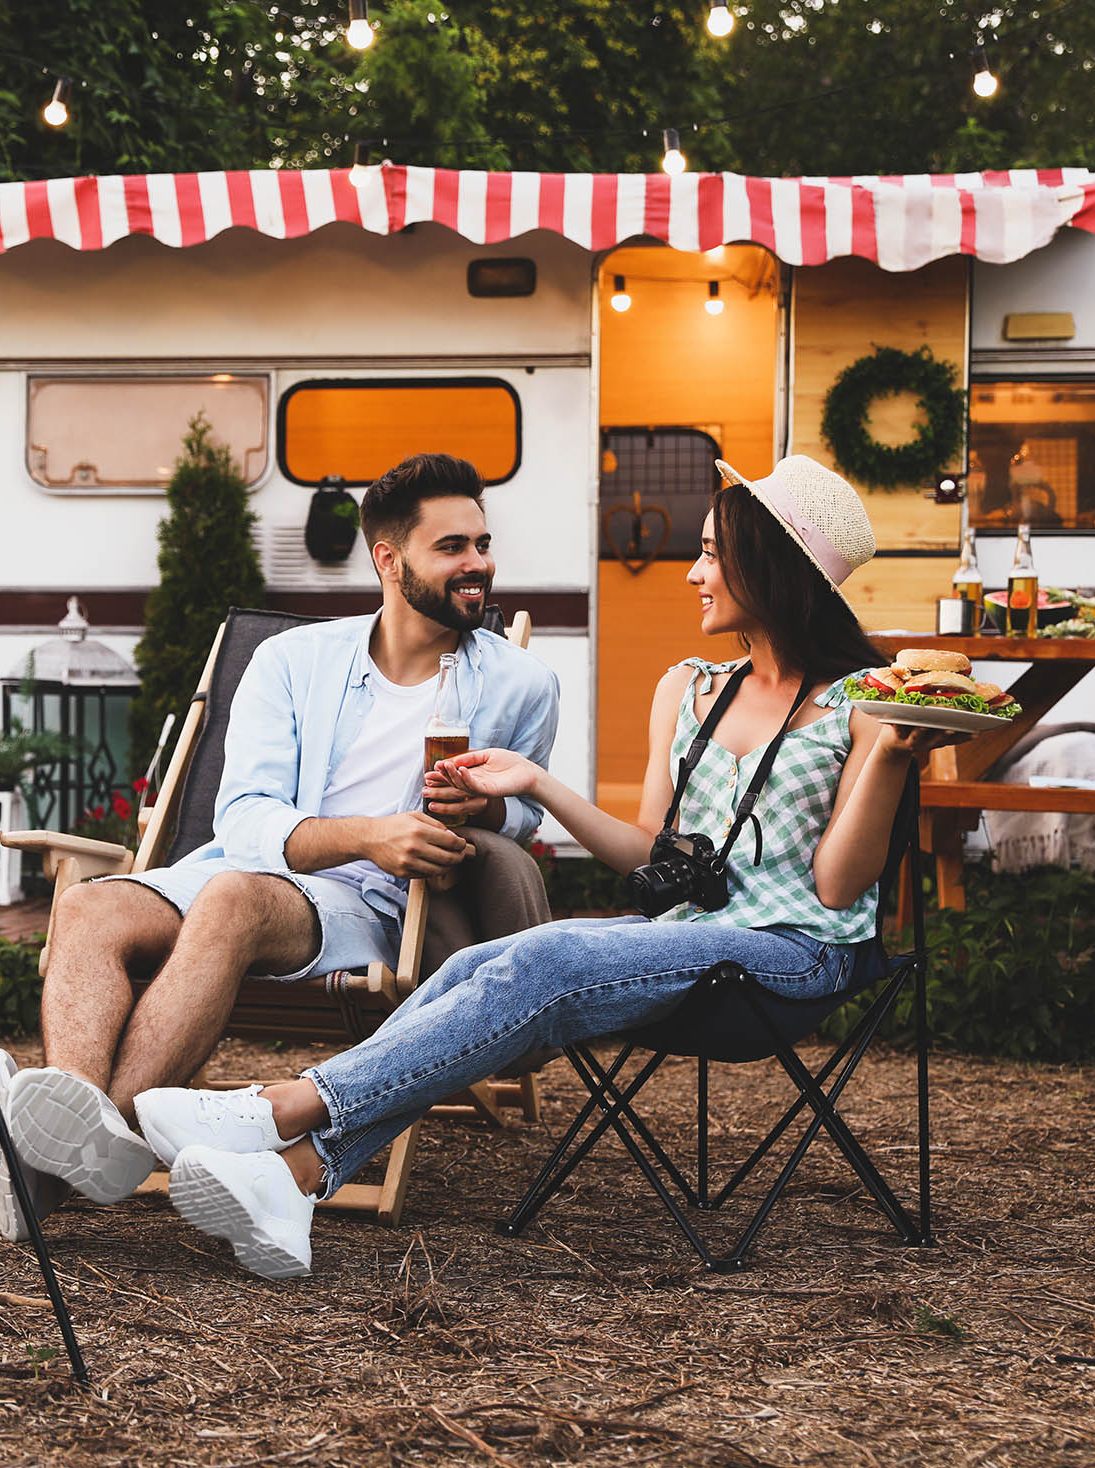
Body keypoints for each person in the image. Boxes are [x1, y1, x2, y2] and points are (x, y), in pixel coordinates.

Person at [131, 453, 965, 1278]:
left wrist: (892, 758)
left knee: (548, 956)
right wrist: (536, 784)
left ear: (771, 566)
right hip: (688, 938)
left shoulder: (868, 701)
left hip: (795, 954)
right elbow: (649, 854)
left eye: (712, 553)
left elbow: (838, 888)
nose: (693, 573)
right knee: (478, 964)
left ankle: (282, 1107)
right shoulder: (692, 688)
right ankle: (296, 1181)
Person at [0, 452, 562, 1240]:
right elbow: (243, 820)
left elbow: (523, 821)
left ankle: (45, 1168)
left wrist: (487, 810)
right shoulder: (292, 661)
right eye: (453, 547)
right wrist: (369, 834)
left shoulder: (520, 684)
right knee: (86, 907)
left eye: (482, 544)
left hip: (376, 907)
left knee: (233, 901)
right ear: (389, 559)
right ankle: (74, 1124)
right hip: (245, 869)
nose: (478, 564)